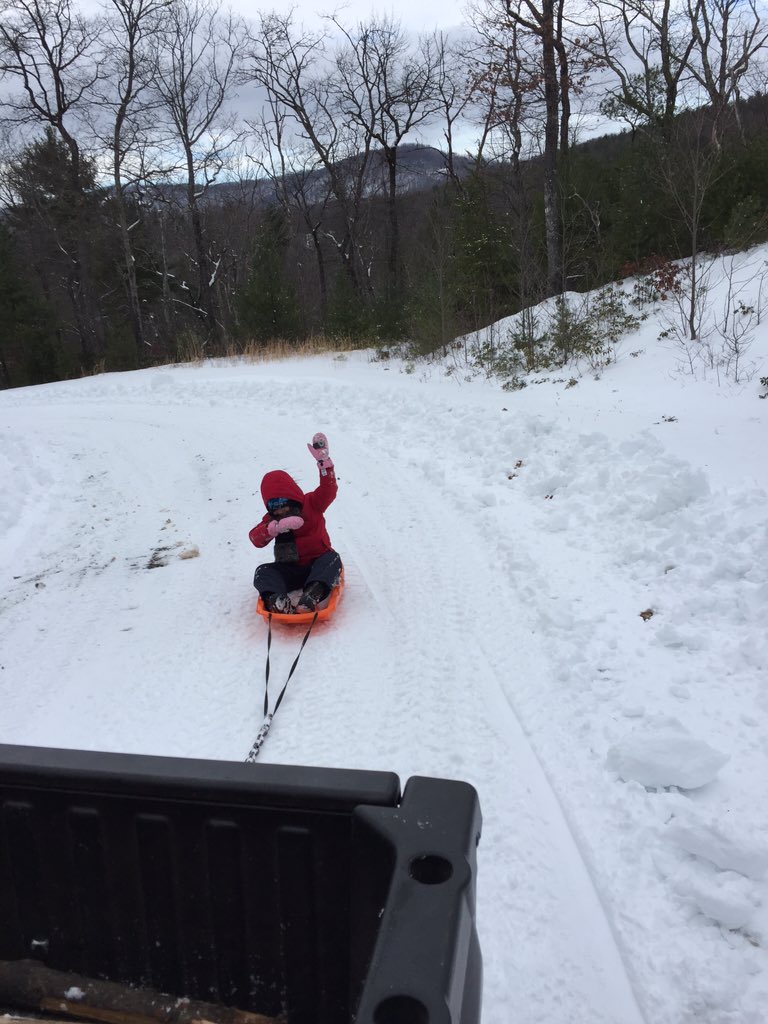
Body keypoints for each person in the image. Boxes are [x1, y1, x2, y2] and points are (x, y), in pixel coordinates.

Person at [250, 432, 342, 614]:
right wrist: (272, 529)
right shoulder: (272, 520)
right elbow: (255, 538)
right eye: (273, 505)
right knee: (262, 571)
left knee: (333, 560)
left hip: (318, 563)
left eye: (283, 502)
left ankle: (312, 594)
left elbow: (328, 490)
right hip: (290, 569)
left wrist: (324, 464)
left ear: (291, 496)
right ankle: (277, 600)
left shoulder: (311, 503)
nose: (279, 508)